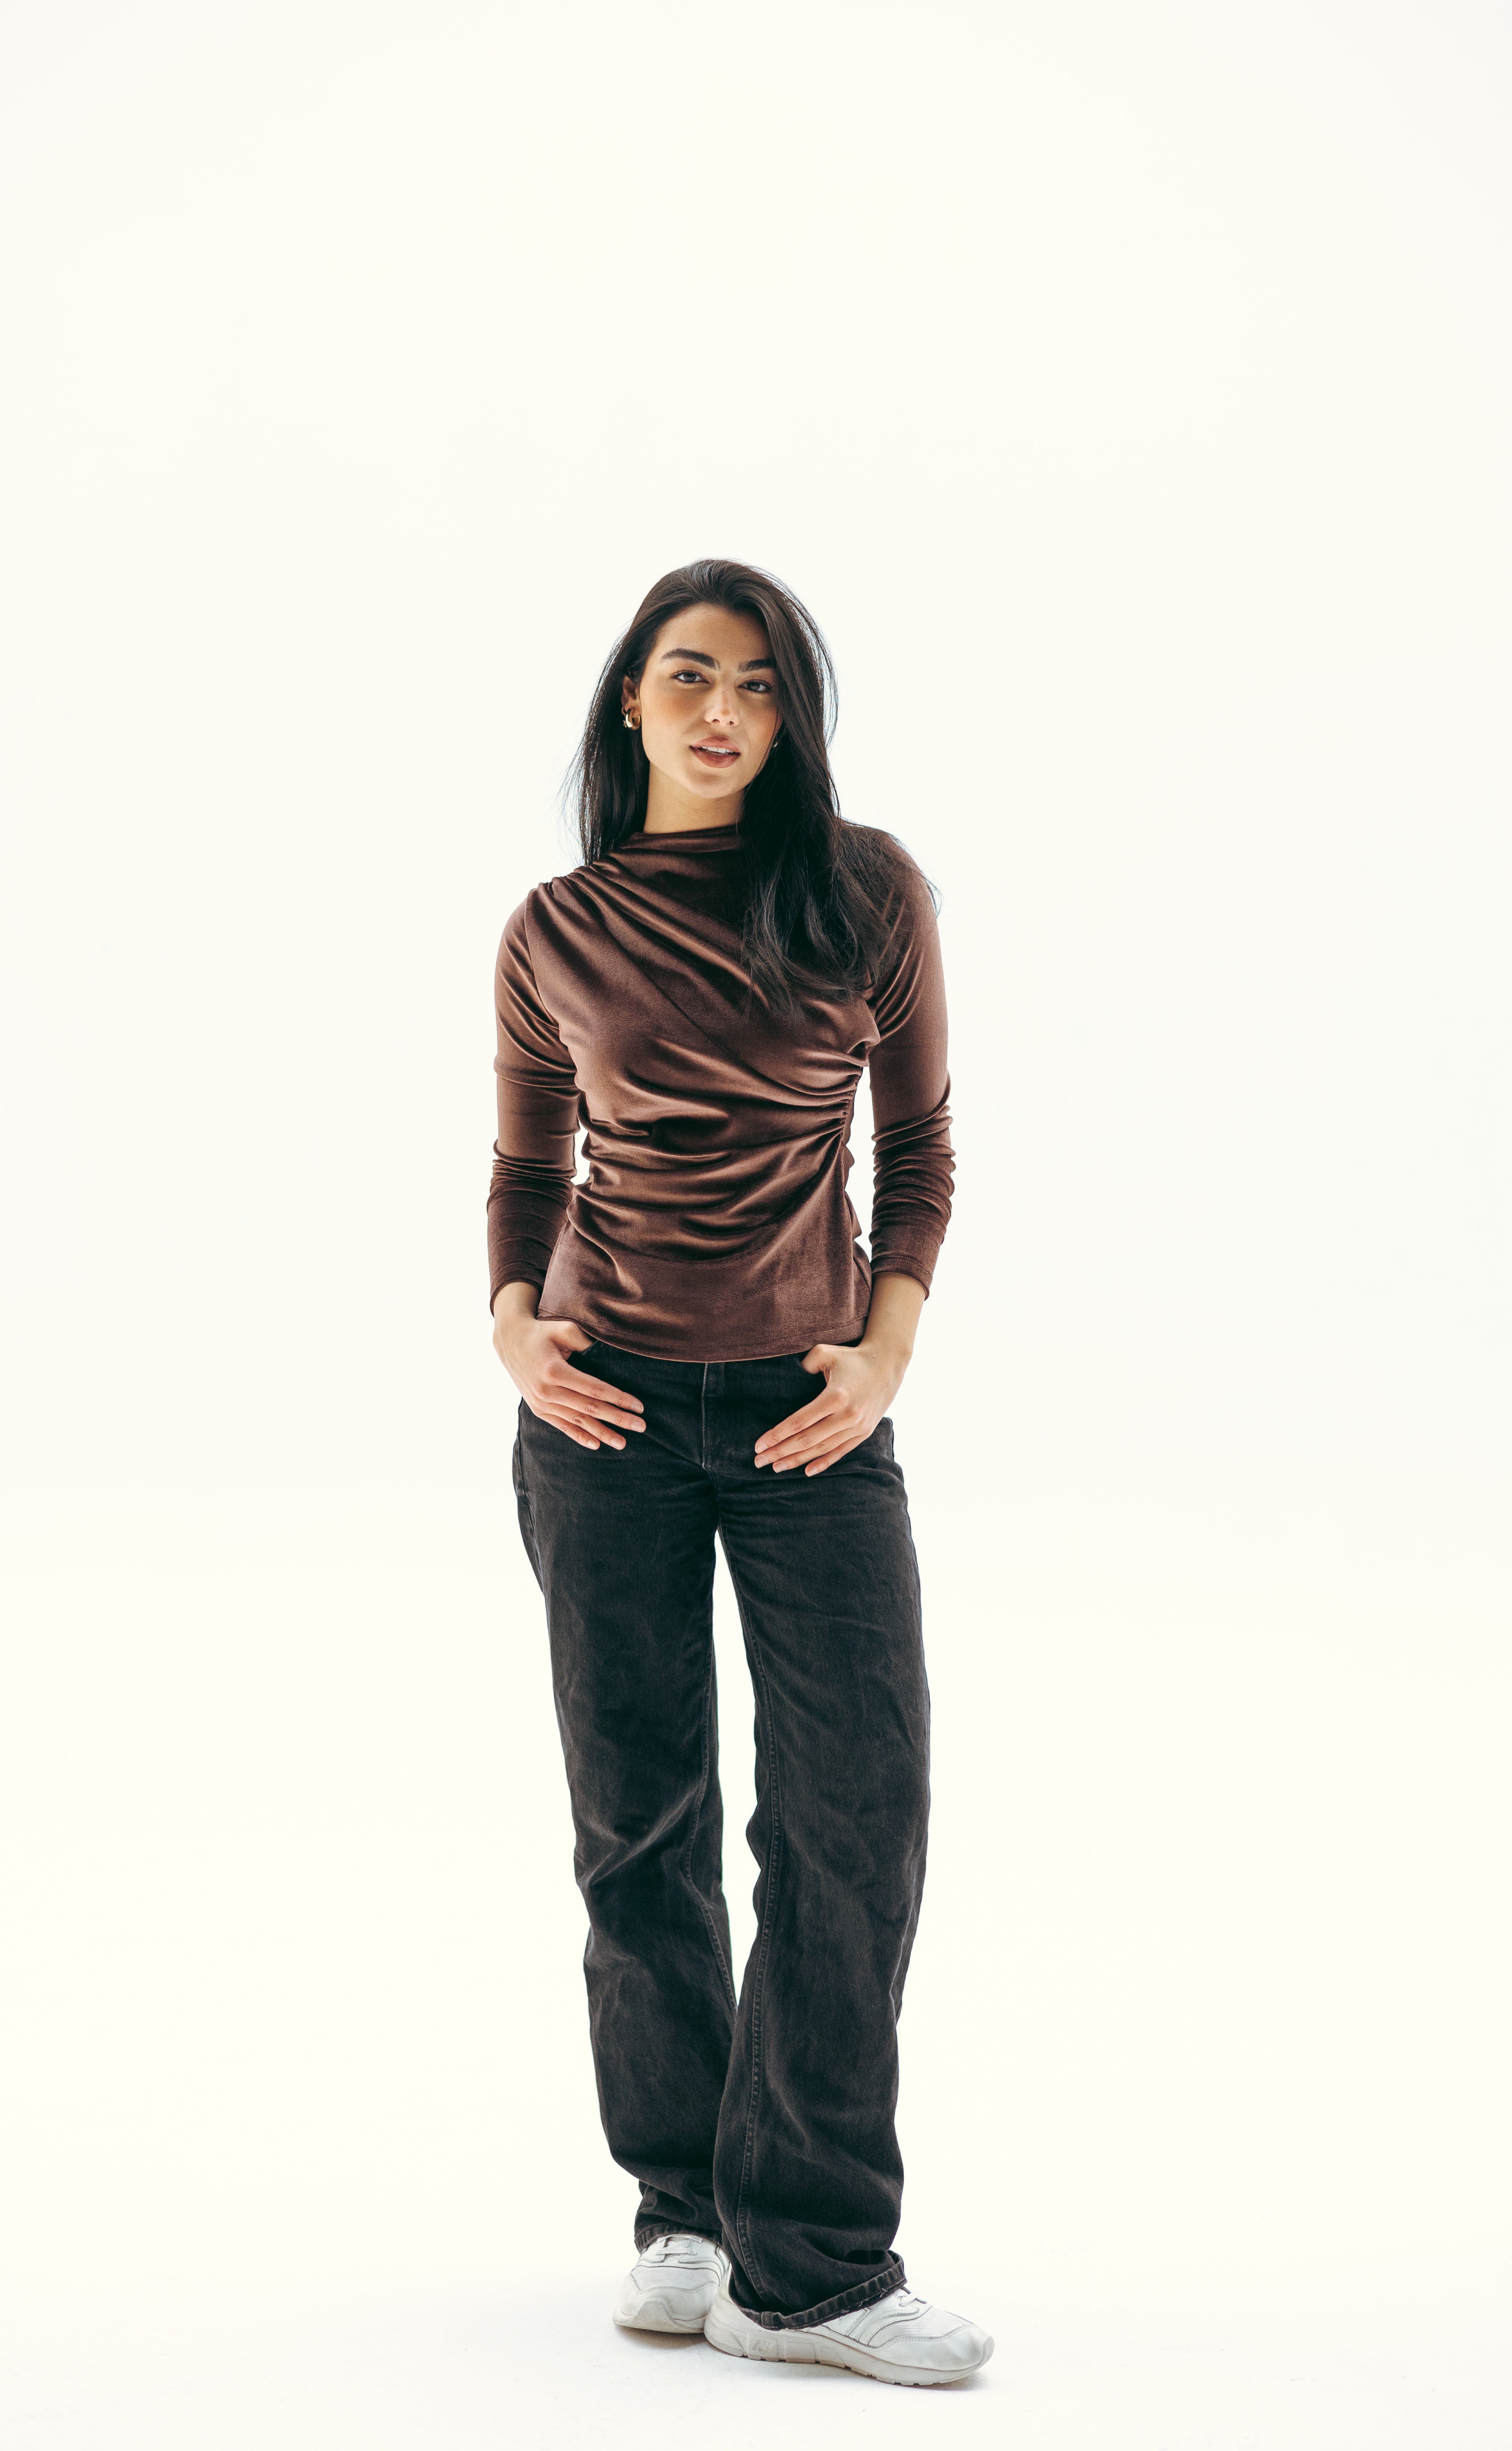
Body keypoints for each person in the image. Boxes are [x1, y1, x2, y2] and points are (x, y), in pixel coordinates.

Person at [486, 559, 993, 2390]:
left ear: (797, 718)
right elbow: (526, 1171)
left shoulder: (865, 891)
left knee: (855, 1817)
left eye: (764, 684)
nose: (726, 711)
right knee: (641, 1826)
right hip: (605, 1420)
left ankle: (816, 2264)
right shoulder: (557, 929)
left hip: (809, 1422)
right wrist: (512, 1326)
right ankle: (687, 2212)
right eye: (693, 675)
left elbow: (919, 1148)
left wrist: (883, 1355)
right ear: (631, 699)